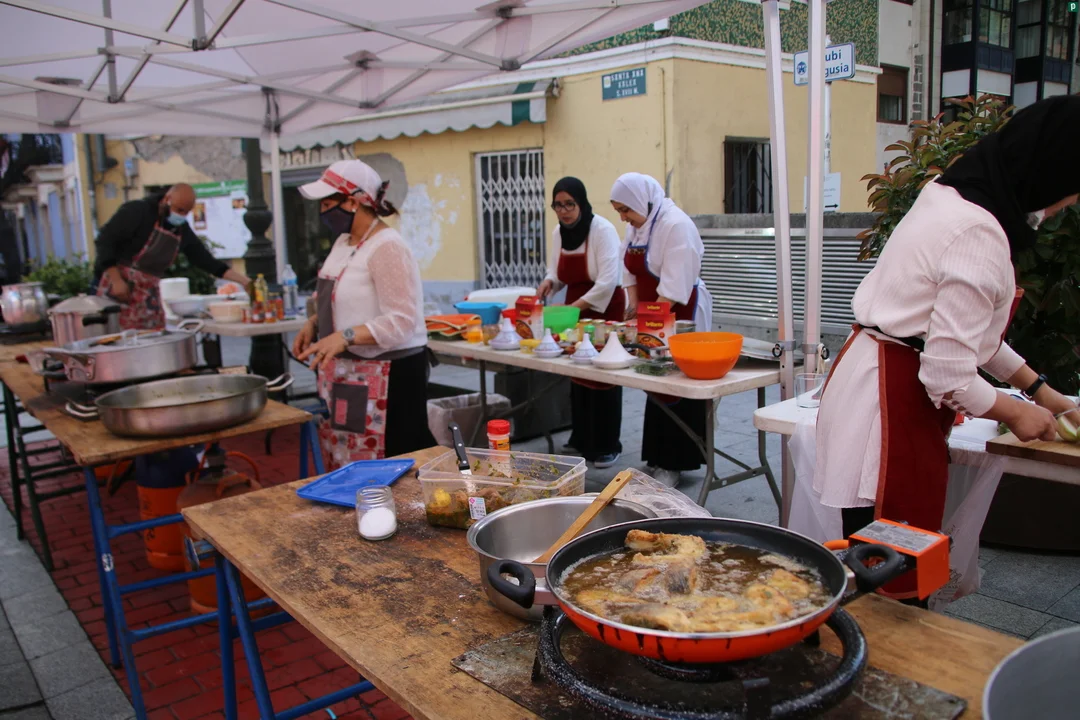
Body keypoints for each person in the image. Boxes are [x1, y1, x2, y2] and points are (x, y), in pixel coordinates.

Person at [811, 96, 1080, 601]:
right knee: (888, 567)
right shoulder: (978, 232)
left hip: (882, 375)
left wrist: (1042, 392)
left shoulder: (952, 195)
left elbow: (968, 338)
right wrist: (1015, 413)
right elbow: (949, 373)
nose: (1067, 204)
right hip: (888, 403)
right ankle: (887, 640)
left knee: (878, 554)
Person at [292, 160, 435, 468]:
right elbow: (342, 298)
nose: (322, 212)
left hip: (390, 377)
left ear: (353, 202)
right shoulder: (343, 243)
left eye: (327, 203)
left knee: (390, 466)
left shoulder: (387, 247)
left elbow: (401, 320)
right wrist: (315, 323)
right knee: (350, 460)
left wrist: (344, 336)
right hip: (349, 376)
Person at [610, 173, 713, 488]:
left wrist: (646, 323)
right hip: (652, 314)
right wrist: (632, 309)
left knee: (675, 381)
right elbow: (628, 270)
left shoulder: (676, 225)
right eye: (619, 211)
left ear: (641, 201)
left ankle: (676, 461)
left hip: (680, 311)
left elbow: (673, 289)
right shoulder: (637, 226)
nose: (623, 218)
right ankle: (657, 456)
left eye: (625, 210)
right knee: (654, 380)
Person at [537, 177, 625, 468]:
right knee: (577, 369)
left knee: (603, 374)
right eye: (558, 205)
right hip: (575, 305)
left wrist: (573, 309)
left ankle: (607, 444)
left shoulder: (603, 230)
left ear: (582, 203)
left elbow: (608, 281)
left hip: (604, 306)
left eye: (569, 204)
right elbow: (556, 271)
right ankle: (582, 437)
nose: (564, 211)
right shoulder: (558, 233)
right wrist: (549, 283)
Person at [95, 183, 250, 330]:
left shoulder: (182, 230)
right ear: (167, 199)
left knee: (153, 339)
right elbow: (104, 240)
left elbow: (205, 260)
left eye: (186, 212)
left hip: (149, 295)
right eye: (179, 210)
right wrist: (116, 280)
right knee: (116, 339)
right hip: (118, 289)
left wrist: (244, 281)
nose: (181, 215)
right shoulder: (137, 211)